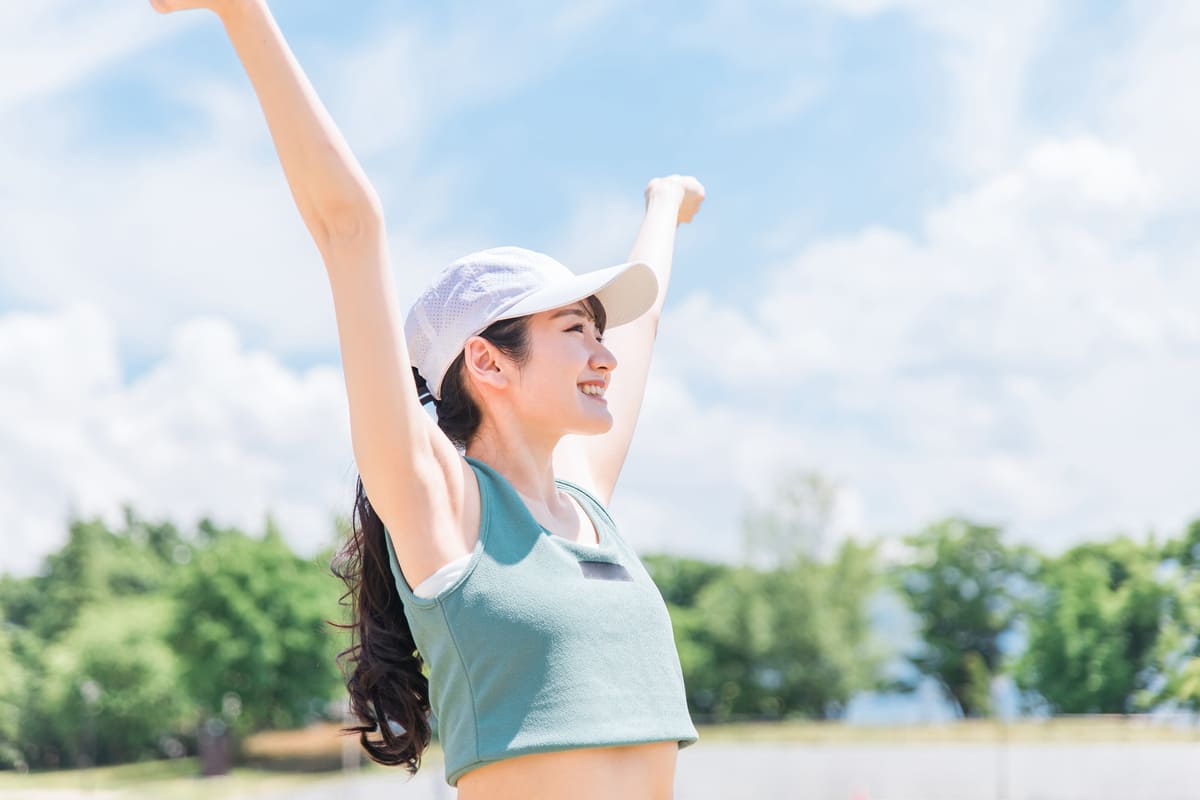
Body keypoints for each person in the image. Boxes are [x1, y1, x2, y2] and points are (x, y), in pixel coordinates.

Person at [152, 1, 705, 797]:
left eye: (600, 333)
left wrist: (664, 204)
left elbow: (643, 322)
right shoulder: (439, 501)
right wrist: (241, 11)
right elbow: (350, 224)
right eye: (576, 331)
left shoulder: (585, 501)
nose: (606, 356)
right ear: (488, 361)